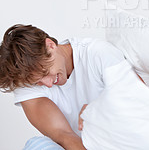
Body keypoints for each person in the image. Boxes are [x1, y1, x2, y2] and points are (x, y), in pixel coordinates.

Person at [0, 24, 131, 149]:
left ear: (50, 45)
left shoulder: (97, 53)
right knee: (36, 145)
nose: (48, 84)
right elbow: (64, 136)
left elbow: (141, 103)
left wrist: (101, 108)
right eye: (37, 82)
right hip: (79, 146)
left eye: (45, 72)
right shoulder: (25, 81)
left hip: (122, 140)